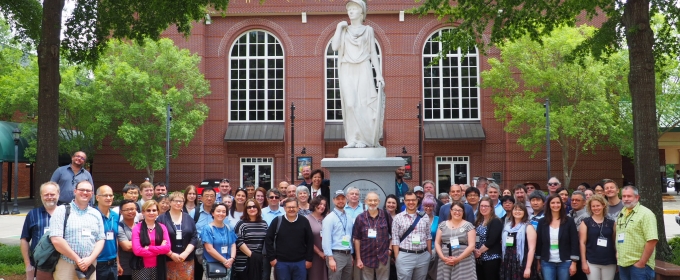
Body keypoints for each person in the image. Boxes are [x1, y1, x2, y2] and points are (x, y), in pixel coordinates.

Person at [332, 0, 385, 148]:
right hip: (347, 69)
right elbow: (335, 46)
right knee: (350, 104)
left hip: (363, 68)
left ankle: (364, 139)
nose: (351, 11)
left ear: (362, 12)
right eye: (349, 9)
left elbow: (373, 53)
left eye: (354, 9)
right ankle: (353, 138)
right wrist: (338, 27)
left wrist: (379, 75)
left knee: (363, 105)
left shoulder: (368, 30)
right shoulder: (344, 30)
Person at [50, 181, 105, 280]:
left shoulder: (96, 214)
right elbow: (56, 240)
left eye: (88, 190)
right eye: (81, 190)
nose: (85, 192)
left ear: (92, 194)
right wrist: (78, 259)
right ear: (75, 191)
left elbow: (101, 239)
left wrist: (90, 259)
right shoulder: (61, 210)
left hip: (90, 265)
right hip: (66, 263)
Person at [265, 198, 314, 280]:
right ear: (284, 208)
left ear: (298, 207)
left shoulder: (304, 221)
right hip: (281, 263)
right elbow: (268, 240)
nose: (291, 209)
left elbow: (310, 241)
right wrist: (272, 258)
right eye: (289, 207)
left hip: (301, 262)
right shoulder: (277, 221)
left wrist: (309, 259)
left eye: (294, 207)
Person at [615, 186, 658, 280]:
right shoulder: (622, 213)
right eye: (624, 196)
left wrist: (641, 263)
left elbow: (652, 240)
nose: (626, 199)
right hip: (623, 264)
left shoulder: (646, 214)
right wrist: (618, 254)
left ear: (637, 197)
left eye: (629, 196)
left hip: (640, 267)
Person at [21, 182, 60, 280]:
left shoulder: (67, 214)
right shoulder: (33, 214)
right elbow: (24, 240)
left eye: (52, 194)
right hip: (40, 265)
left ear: (58, 194)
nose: (49, 197)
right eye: (46, 194)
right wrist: (28, 264)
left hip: (63, 264)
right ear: (41, 196)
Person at [535, 195, 580, 280]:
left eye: (558, 202)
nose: (555, 205)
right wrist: (538, 261)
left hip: (565, 261)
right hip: (547, 262)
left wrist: (574, 263)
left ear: (562, 205)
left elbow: (574, 242)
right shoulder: (542, 222)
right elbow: (539, 243)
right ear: (548, 205)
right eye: (553, 203)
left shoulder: (569, 221)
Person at [157, 191, 198, 280]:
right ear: (170, 202)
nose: (178, 203)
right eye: (175, 201)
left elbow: (194, 237)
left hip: (186, 259)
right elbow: (158, 239)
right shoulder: (161, 218)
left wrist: (186, 253)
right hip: (167, 259)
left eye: (181, 201)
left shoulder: (188, 218)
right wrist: (171, 254)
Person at [391, 191, 431, 280]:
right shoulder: (398, 218)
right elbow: (395, 239)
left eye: (413, 200)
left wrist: (429, 254)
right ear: (404, 201)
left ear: (417, 201)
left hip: (423, 256)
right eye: (408, 200)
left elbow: (428, 236)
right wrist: (397, 257)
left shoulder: (424, 216)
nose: (411, 202)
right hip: (405, 255)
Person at [353, 192, 393, 280]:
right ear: (366, 201)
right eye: (370, 200)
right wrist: (358, 259)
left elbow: (394, 234)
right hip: (366, 257)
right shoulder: (360, 218)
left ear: (379, 201)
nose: (373, 202)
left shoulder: (386, 215)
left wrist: (390, 249)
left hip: (383, 257)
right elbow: (356, 239)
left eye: (375, 200)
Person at [434, 201, 476, 280]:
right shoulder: (442, 225)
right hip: (445, 260)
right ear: (451, 211)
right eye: (455, 210)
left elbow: (471, 246)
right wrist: (442, 257)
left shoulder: (468, 226)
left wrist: (458, 259)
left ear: (463, 212)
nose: (457, 212)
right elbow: (437, 242)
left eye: (460, 210)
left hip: (464, 261)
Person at [578, 195, 616, 280]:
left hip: (609, 261)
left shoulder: (612, 223)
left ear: (603, 205)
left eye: (598, 205)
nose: (596, 208)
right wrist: (584, 262)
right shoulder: (585, 222)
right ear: (590, 208)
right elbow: (582, 243)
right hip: (592, 261)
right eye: (593, 206)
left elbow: (614, 242)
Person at [131, 200, 171, 280]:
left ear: (158, 212)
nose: (151, 213)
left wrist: (149, 248)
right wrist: (159, 250)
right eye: (148, 210)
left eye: (154, 210)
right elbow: (137, 251)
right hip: (141, 267)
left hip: (159, 266)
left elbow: (167, 248)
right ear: (143, 212)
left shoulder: (162, 227)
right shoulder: (137, 228)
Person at [201, 203, 238, 280]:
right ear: (213, 213)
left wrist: (232, 258)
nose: (221, 213)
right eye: (218, 211)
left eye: (224, 211)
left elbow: (233, 244)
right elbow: (209, 249)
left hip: (228, 263)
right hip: (213, 264)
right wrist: (224, 261)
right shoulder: (208, 229)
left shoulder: (229, 228)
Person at [323, 190, 355, 280]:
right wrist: (330, 258)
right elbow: (326, 240)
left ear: (346, 200)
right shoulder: (329, 218)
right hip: (336, 255)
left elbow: (349, 236)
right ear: (333, 200)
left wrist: (351, 254)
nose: (340, 201)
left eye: (343, 198)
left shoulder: (348, 217)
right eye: (338, 199)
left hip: (348, 255)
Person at [501, 203, 537, 280]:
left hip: (522, 262)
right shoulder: (507, 226)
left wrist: (528, 268)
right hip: (508, 260)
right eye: (515, 209)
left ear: (524, 212)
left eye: (520, 210)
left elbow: (532, 249)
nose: (517, 212)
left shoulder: (528, 227)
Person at [233, 199, 268, 280]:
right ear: (246, 209)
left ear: (258, 208)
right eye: (249, 207)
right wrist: (253, 256)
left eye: (254, 206)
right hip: (244, 263)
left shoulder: (264, 224)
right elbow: (239, 241)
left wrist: (260, 258)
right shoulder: (241, 224)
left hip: (259, 262)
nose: (252, 209)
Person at [94, 185, 121, 280]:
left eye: (111, 195)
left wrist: (118, 262)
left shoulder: (116, 216)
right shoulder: (92, 214)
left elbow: (116, 239)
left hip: (112, 263)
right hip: (97, 263)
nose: (108, 198)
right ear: (97, 197)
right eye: (105, 195)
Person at [474, 197, 503, 280]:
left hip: (491, 257)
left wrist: (478, 252)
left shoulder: (496, 221)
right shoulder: (478, 221)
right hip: (479, 258)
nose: (483, 208)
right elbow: (476, 237)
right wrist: (475, 250)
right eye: (481, 206)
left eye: (486, 206)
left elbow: (491, 241)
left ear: (491, 208)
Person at [195, 187, 217, 280]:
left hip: (216, 249)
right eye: (207, 196)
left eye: (212, 196)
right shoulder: (195, 212)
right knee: (198, 274)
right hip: (199, 250)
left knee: (215, 274)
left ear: (215, 198)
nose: (209, 198)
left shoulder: (219, 212)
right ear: (201, 198)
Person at [306, 196, 330, 280]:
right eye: (320, 204)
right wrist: (319, 252)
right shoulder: (307, 220)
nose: (322, 206)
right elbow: (306, 240)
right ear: (314, 204)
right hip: (315, 256)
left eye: (324, 205)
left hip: (328, 255)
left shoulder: (327, 219)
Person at [118, 200, 138, 280]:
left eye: (132, 209)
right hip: (125, 268)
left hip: (140, 268)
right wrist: (145, 244)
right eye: (126, 210)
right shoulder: (119, 227)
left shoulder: (140, 225)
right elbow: (127, 247)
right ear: (121, 212)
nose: (130, 211)